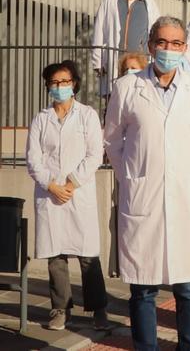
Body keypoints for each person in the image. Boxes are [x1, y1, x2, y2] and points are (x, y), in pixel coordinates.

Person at [104, 16, 190, 351]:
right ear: (150, 46)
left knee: (188, 288)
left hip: (184, 197)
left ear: (185, 48)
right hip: (143, 198)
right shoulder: (127, 87)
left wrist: (180, 173)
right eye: (162, 43)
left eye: (176, 43)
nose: (169, 49)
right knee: (143, 288)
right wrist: (133, 176)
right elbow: (112, 141)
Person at [26, 60, 109, 331]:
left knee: (87, 256)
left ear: (74, 84)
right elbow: (33, 158)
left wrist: (71, 184)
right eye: (54, 82)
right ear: (47, 86)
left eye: (64, 82)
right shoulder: (41, 118)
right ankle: (60, 309)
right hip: (49, 194)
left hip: (77, 193)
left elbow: (94, 154)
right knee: (56, 256)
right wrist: (51, 185)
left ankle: (98, 309)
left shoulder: (87, 115)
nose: (59, 87)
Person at [91, 0, 161, 97]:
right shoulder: (110, 0)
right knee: (114, 98)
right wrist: (97, 61)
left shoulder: (148, 3)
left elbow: (156, 31)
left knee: (138, 97)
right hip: (115, 60)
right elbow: (99, 29)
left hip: (140, 62)